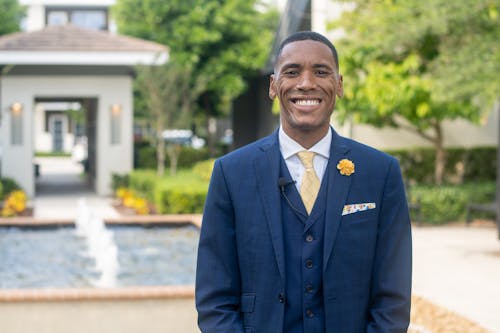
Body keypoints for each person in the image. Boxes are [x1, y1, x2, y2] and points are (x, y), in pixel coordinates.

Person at [195, 31, 412, 333]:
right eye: (292, 71)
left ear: (339, 85)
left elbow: (393, 298)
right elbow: (213, 299)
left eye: (321, 72)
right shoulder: (230, 173)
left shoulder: (381, 172)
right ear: (273, 86)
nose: (306, 83)